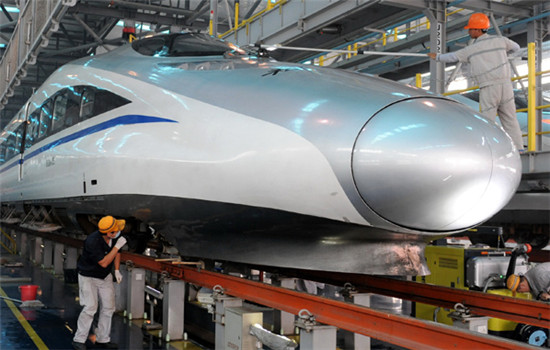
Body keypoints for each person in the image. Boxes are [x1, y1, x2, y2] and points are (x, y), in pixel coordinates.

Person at [428, 12, 524, 151]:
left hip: (489, 87)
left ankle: (489, 150)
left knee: (487, 120)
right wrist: (502, 54)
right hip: (506, 86)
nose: (469, 31)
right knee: (510, 119)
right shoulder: (500, 41)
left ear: (478, 29)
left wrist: (436, 57)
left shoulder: (472, 49)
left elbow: (451, 57)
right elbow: (516, 47)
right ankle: (519, 148)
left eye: (471, 29)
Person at [72, 216, 128, 350]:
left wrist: (116, 270)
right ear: (109, 233)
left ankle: (103, 339)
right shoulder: (92, 241)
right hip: (88, 277)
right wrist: (117, 246)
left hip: (104, 276)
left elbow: (117, 253)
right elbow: (103, 263)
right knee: (90, 307)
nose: (118, 232)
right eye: (116, 230)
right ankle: (79, 339)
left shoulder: (114, 237)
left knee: (109, 307)